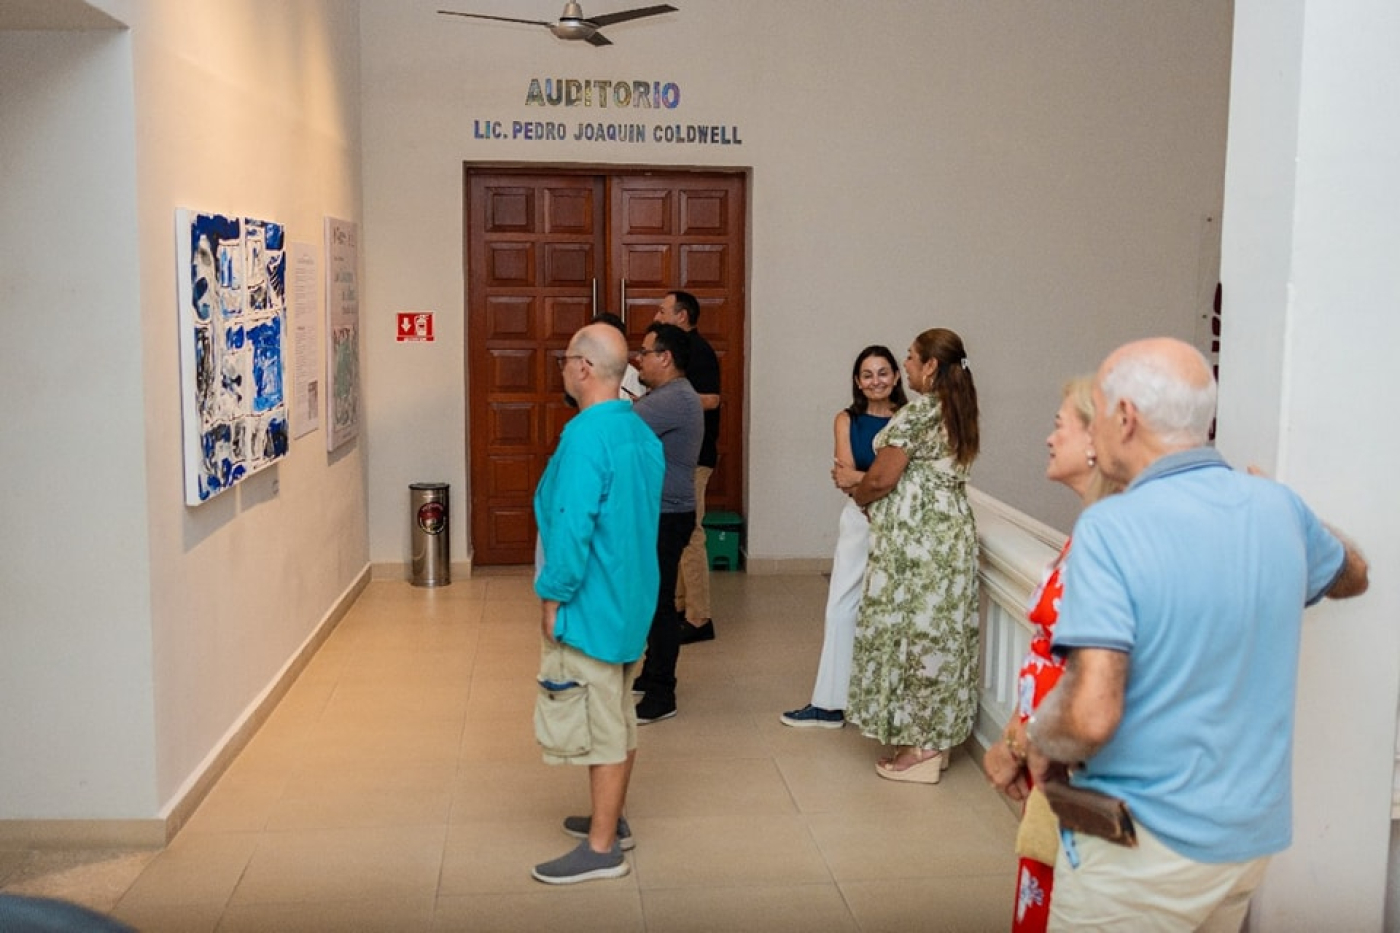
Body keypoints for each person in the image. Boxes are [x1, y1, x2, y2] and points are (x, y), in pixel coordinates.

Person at [1025, 337, 1369, 930]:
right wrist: (1294, 515)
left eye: (1102, 411)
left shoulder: (1112, 527)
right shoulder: (1276, 508)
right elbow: (1353, 575)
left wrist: (1035, 737)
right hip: (1246, 843)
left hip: (1146, 844)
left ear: (1125, 418)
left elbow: (1089, 717)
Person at [981, 376, 1122, 932]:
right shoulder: (1092, 528)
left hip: (1074, 760)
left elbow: (1083, 671)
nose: (1048, 437)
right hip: (1050, 751)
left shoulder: (1110, 539)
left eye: (1060, 424)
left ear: (1096, 440)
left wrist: (1019, 741)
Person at [531, 323, 664, 884]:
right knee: (618, 709)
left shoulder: (586, 436)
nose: (563, 369)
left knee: (601, 717)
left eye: (566, 360)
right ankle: (611, 818)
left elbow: (572, 525)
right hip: (632, 596)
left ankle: (602, 847)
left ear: (584, 368)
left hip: (594, 600)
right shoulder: (638, 433)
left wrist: (554, 594)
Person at [845, 327, 981, 783]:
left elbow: (883, 477)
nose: (905, 365)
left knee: (914, 637)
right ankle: (934, 740)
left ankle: (920, 747)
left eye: (910, 357)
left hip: (918, 545)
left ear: (930, 367)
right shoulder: (959, 409)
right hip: (950, 536)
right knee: (940, 636)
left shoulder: (919, 413)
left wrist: (860, 495)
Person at [781, 345, 908, 728]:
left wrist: (868, 482)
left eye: (883, 372)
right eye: (867, 374)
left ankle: (890, 701)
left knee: (896, 609)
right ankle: (829, 703)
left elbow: (904, 478)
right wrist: (871, 486)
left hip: (901, 521)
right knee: (841, 605)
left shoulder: (908, 418)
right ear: (857, 381)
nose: (875, 381)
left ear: (897, 377)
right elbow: (844, 475)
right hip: (858, 517)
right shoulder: (845, 419)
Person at [629, 322, 704, 725]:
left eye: (644, 352)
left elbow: (621, 425)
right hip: (660, 512)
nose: (638, 359)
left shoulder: (675, 397)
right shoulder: (669, 395)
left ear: (665, 357)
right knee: (651, 601)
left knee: (657, 606)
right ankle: (652, 673)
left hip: (667, 513)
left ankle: (662, 694)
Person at [654, 290, 720, 643]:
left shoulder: (700, 351)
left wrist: (669, 402)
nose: (658, 314)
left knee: (691, 534)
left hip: (695, 457)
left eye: (663, 309)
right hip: (677, 459)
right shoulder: (678, 350)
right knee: (676, 534)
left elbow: (712, 398)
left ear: (682, 316)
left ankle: (699, 618)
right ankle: (681, 606)